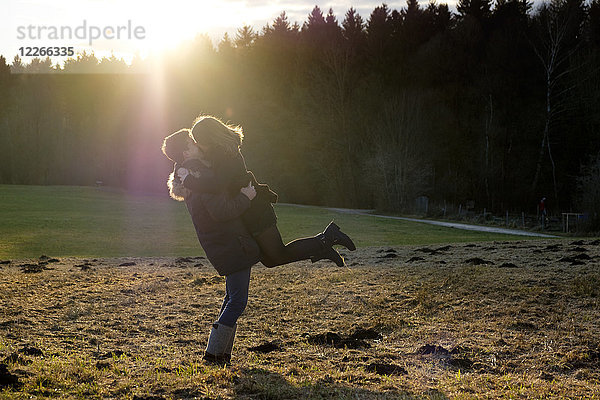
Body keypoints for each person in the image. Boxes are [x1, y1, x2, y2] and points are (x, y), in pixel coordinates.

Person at [161, 123, 356, 365]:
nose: (198, 145)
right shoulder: (199, 172)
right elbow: (219, 207)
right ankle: (215, 355)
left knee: (261, 271)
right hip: (234, 238)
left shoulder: (208, 165)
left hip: (247, 224)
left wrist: (187, 177)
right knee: (245, 290)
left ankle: (218, 354)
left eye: (199, 140)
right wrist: (241, 195)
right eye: (192, 143)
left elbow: (218, 184)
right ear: (186, 153)